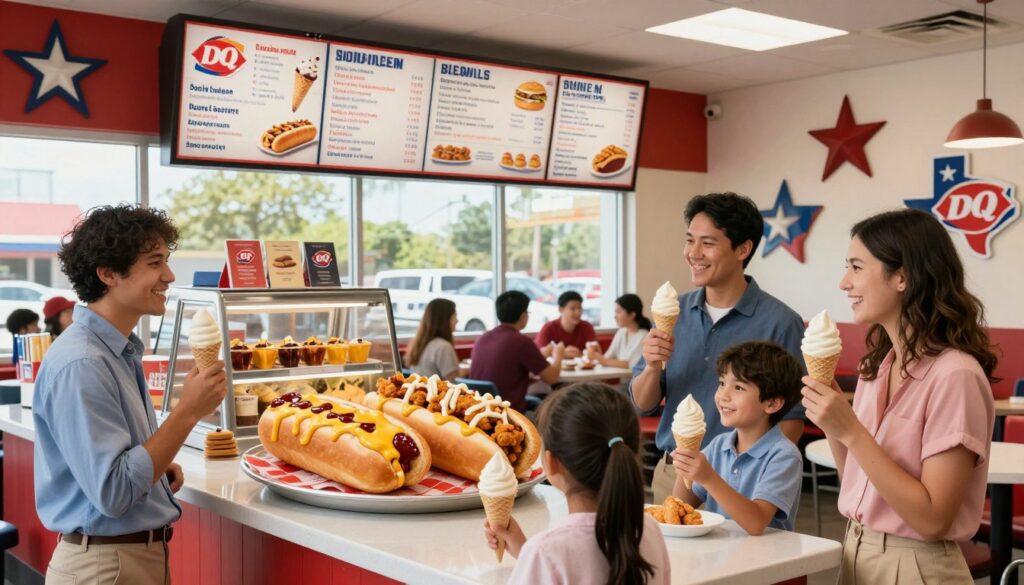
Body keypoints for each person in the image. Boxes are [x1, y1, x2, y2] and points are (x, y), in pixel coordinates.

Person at [33, 204, 227, 584]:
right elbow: (114, 492)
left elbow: (113, 467)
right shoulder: (83, 362)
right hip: (107, 567)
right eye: (155, 263)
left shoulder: (116, 350)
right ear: (107, 274)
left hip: (125, 560)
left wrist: (155, 471)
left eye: (167, 261)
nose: (169, 276)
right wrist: (188, 411)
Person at [801, 209, 995, 584]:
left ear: (902, 276)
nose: (844, 282)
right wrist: (833, 425)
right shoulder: (877, 368)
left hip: (917, 566)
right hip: (858, 551)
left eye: (856, 267)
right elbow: (861, 484)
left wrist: (852, 430)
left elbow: (933, 519)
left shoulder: (955, 375)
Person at [630, 192, 807, 502]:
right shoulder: (673, 312)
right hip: (674, 473)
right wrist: (651, 366)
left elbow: (792, 417)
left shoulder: (780, 322)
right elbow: (642, 404)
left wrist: (760, 475)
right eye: (689, 241)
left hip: (743, 481)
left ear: (743, 249)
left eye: (708, 243)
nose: (693, 253)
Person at [485, 383, 670, 585]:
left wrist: (532, 557)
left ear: (553, 463)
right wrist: (527, 553)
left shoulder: (546, 552)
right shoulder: (649, 530)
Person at [671, 341, 804, 535]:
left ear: (772, 403)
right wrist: (684, 465)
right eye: (722, 383)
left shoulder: (784, 455)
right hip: (721, 555)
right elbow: (682, 505)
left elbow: (756, 523)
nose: (723, 395)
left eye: (739, 388)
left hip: (767, 559)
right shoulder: (719, 445)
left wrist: (709, 478)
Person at [470, 290, 564, 412]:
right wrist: (559, 355)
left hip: (480, 412)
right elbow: (552, 378)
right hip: (509, 414)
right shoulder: (521, 342)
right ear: (523, 315)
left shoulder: (482, 338)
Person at [587, 293, 652, 369]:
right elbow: (607, 357)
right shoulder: (621, 332)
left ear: (632, 314)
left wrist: (599, 358)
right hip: (622, 380)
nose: (615, 316)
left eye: (618, 312)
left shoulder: (643, 335)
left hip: (635, 380)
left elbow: (632, 364)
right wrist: (595, 353)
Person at [405, 298, 460, 380]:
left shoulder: (419, 344)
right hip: (438, 392)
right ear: (444, 319)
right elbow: (453, 382)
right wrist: (468, 370)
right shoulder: (443, 347)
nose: (457, 320)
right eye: (455, 316)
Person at [536, 290, 597, 359]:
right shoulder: (549, 327)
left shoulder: (587, 327)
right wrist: (563, 353)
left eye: (579, 308)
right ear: (560, 309)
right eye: (573, 308)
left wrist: (581, 355)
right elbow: (539, 353)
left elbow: (596, 352)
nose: (578, 312)